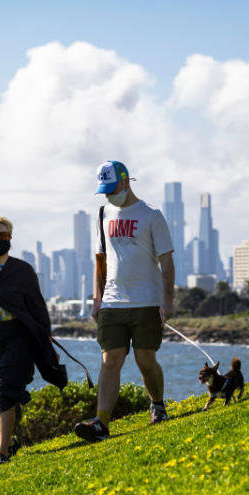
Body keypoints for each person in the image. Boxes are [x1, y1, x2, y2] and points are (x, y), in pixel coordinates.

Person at [74, 160, 175, 441]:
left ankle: (157, 405)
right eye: (104, 190)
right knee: (110, 361)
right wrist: (97, 299)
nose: (109, 195)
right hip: (112, 303)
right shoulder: (103, 213)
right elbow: (100, 260)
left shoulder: (151, 215)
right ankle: (101, 422)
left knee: (146, 360)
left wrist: (167, 301)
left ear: (127, 182)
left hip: (146, 301)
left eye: (112, 188)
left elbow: (167, 261)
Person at [0, 215, 67, 467]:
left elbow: (38, 309)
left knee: (4, 387)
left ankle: (2, 454)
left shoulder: (22, 271)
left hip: (18, 338)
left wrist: (47, 344)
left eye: (4, 236)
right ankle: (10, 442)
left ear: (11, 238)